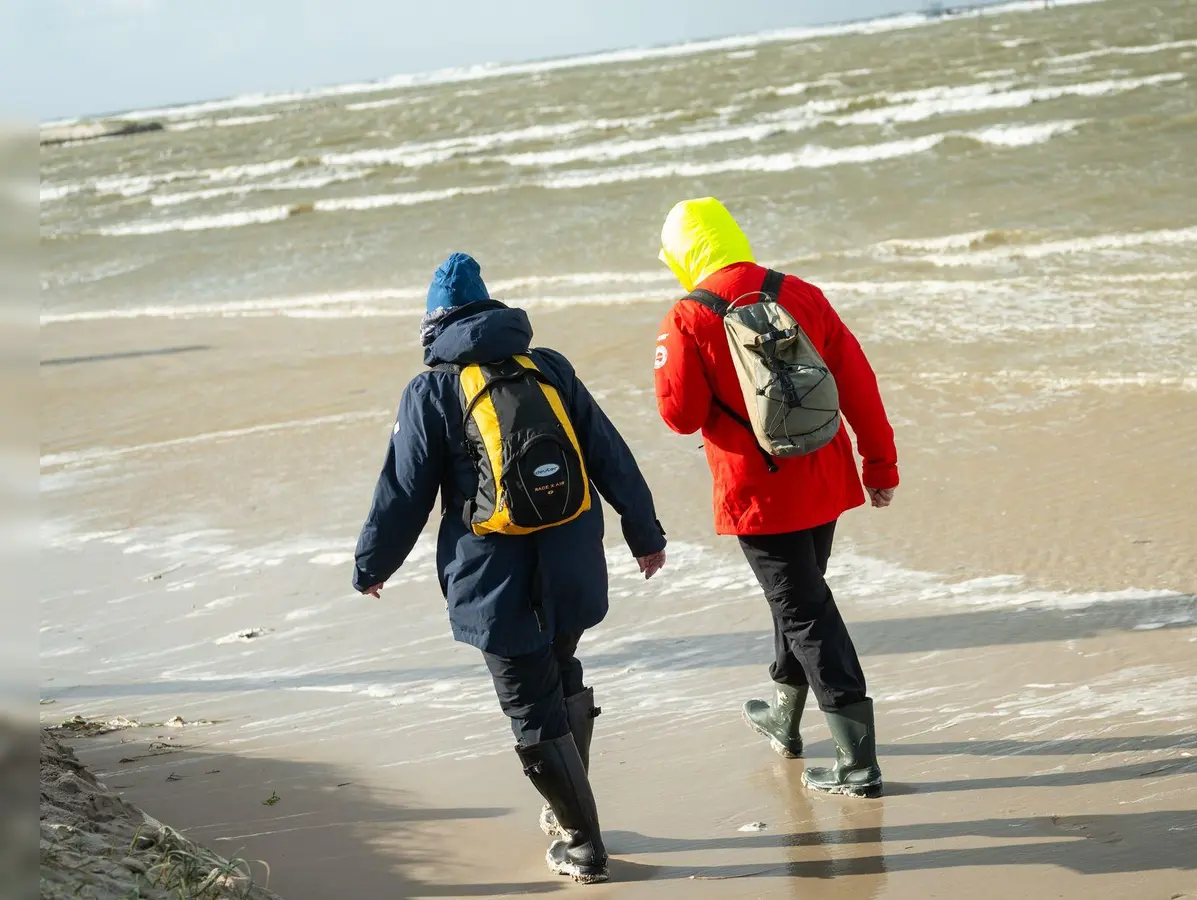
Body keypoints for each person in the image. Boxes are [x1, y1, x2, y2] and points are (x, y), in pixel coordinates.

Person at [353, 252, 667, 884]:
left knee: (528, 700)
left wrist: (371, 564)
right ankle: (566, 812)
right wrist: (644, 531)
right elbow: (609, 451)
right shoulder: (547, 367)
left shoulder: (432, 390)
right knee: (560, 667)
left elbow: (403, 490)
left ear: (433, 325)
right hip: (573, 561)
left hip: (493, 576)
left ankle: (582, 844)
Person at [651, 198, 898, 798]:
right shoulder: (801, 293)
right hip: (825, 474)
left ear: (683, 254)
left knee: (805, 611)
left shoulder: (687, 316)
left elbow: (679, 417)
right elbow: (857, 378)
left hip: (758, 492)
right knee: (798, 599)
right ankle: (785, 719)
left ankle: (858, 765)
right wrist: (880, 462)